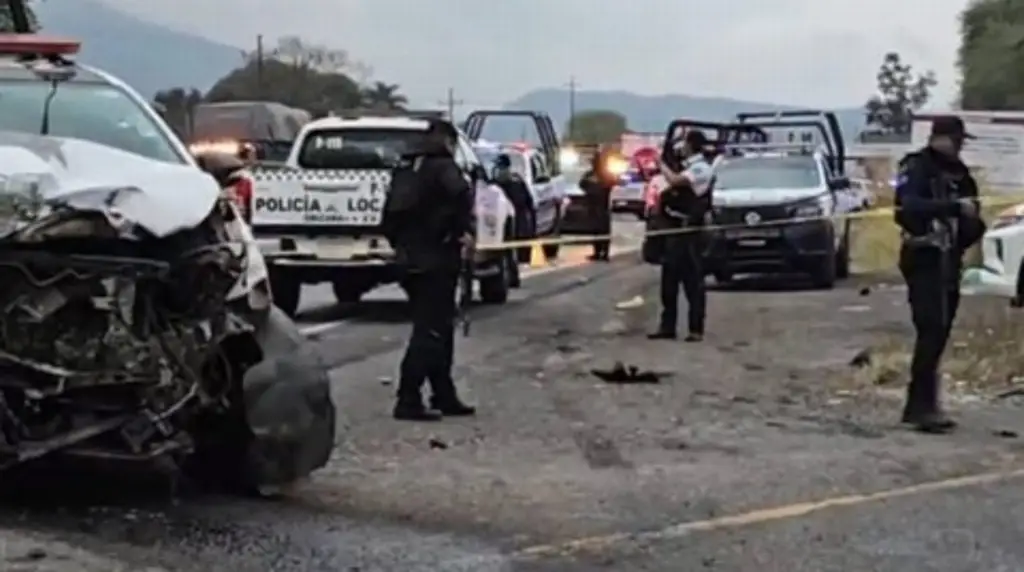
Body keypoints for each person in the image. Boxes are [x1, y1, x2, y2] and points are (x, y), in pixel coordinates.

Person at [894, 116, 985, 433]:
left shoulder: (962, 176)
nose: (960, 147)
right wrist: (951, 208)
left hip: (949, 260)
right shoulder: (916, 167)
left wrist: (969, 225)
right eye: (956, 140)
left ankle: (926, 402)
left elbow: (974, 216)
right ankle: (919, 406)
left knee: (942, 329)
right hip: (923, 256)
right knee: (930, 327)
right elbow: (907, 207)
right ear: (939, 138)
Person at [384, 119, 477, 421]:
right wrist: (461, 230)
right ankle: (408, 399)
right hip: (436, 257)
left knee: (438, 327)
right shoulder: (442, 166)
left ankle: (443, 393)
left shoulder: (407, 167)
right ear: (448, 141)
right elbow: (462, 194)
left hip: (407, 259)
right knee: (432, 330)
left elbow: (388, 218)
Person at [648, 130, 715, 342]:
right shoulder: (687, 165)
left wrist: (661, 164)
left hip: (690, 232)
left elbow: (677, 181)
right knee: (669, 281)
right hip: (673, 229)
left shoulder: (701, 169)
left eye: (685, 143)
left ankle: (695, 329)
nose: (681, 147)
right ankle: (667, 327)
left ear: (692, 145)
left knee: (692, 282)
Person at [492, 153, 532, 282]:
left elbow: (528, 203)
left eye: (501, 168)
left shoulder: (516, 184)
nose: (499, 171)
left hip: (514, 223)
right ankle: (508, 275)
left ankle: (513, 277)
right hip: (497, 222)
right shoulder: (494, 185)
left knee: (510, 250)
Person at [579, 149, 614, 261]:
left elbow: (610, 184)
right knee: (596, 231)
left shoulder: (606, 175)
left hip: (602, 208)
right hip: (594, 207)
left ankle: (604, 253)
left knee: (603, 231)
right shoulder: (590, 175)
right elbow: (582, 184)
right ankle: (598, 252)